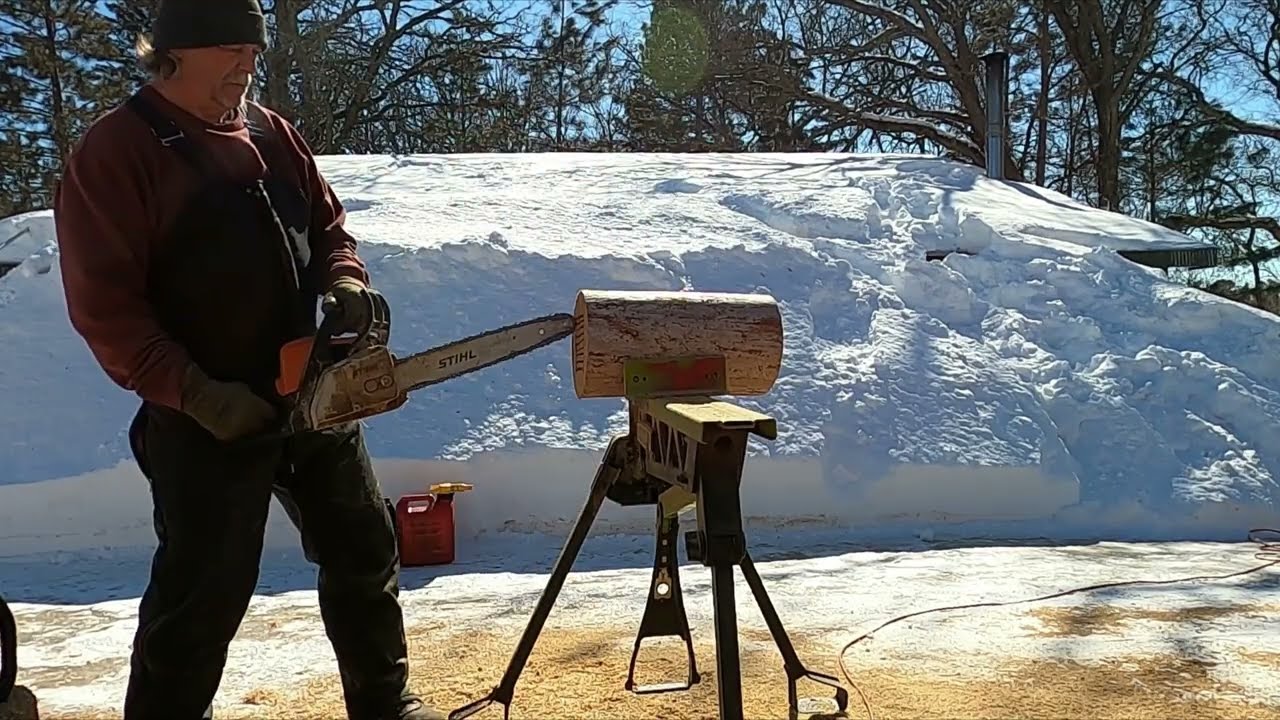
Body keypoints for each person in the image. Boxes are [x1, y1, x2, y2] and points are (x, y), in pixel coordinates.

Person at [52, 1, 443, 718]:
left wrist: (346, 281)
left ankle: (385, 705)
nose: (248, 65)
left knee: (363, 548)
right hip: (202, 413)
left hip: (314, 394)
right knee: (205, 588)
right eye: (232, 48)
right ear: (177, 50)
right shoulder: (117, 150)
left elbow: (328, 227)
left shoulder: (273, 134)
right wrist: (195, 392)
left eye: (254, 52)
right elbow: (106, 308)